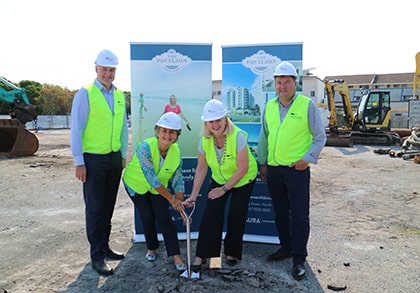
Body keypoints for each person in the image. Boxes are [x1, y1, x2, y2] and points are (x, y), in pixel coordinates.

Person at [257, 61, 326, 280]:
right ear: (274, 85)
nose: (282, 86)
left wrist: (306, 160)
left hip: (296, 170)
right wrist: (263, 164)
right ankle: (285, 247)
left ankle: (298, 259)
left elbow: (319, 137)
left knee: (299, 216)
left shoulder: (307, 105)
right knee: (280, 213)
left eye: (287, 82)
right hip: (275, 170)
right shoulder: (269, 107)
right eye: (279, 82)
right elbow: (264, 137)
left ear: (295, 83)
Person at [70, 49, 128, 276]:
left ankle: (104, 247)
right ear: (96, 69)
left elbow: (123, 127)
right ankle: (96, 256)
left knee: (108, 206)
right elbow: (77, 128)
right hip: (93, 160)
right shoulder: (85, 93)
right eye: (104, 69)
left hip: (114, 159)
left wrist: (123, 155)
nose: (108, 73)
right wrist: (79, 161)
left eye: (112, 70)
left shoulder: (120, 95)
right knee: (95, 209)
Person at [184, 99, 257, 277]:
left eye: (218, 119)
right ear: (206, 123)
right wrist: (194, 195)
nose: (215, 124)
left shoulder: (238, 136)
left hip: (243, 179)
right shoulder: (204, 141)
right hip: (219, 178)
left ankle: (232, 251)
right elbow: (201, 169)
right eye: (211, 121)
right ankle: (201, 256)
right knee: (211, 215)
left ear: (225, 119)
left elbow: (243, 169)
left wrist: (223, 189)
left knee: (236, 213)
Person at [122, 112, 187, 272]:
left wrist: (181, 208)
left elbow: (178, 179)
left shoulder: (176, 151)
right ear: (157, 131)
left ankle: (175, 255)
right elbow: (151, 178)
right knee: (147, 215)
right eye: (164, 130)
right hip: (135, 184)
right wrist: (172, 200)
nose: (167, 135)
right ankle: (151, 248)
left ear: (177, 135)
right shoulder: (145, 147)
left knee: (164, 217)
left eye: (172, 132)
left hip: (157, 189)